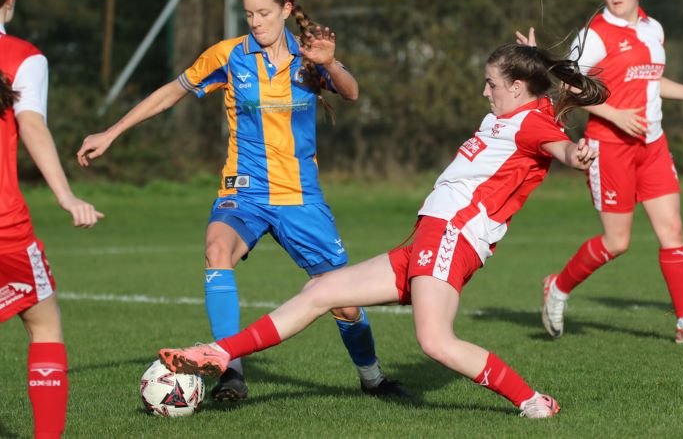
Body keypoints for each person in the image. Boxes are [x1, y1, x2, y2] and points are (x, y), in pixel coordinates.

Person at [158, 42, 608, 418]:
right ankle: (220, 353)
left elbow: (559, 147)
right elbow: (544, 107)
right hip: (430, 237)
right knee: (323, 291)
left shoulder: (531, 122)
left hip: (452, 236)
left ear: (515, 87)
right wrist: (531, 59)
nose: (484, 90)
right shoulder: (517, 113)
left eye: (492, 83)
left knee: (435, 341)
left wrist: (577, 156)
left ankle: (533, 402)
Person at [76, 0, 405, 401]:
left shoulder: (309, 56)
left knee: (344, 301)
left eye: (264, 13)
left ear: (287, 10)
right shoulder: (228, 55)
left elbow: (352, 91)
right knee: (216, 248)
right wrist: (112, 132)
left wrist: (328, 64)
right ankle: (231, 370)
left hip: (299, 197)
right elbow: (171, 92)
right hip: (243, 191)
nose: (255, 22)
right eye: (249, 14)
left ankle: (373, 378)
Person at [529, 0, 683, 344]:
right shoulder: (594, 34)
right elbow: (569, 89)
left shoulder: (653, 29)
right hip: (610, 148)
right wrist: (615, 114)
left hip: (652, 145)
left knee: (672, 230)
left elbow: (654, 80)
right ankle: (558, 286)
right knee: (617, 242)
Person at [0, 0, 104, 439]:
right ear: (10, 3)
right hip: (5, 225)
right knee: (44, 326)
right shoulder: (23, 57)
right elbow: (33, 126)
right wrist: (65, 195)